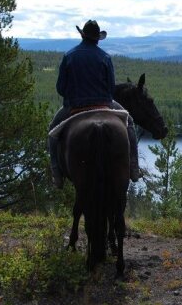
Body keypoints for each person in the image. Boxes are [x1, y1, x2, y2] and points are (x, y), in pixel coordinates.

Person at [48, 20, 140, 188]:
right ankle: (134, 167)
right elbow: (111, 88)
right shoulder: (105, 57)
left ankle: (57, 174)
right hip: (104, 104)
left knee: (53, 131)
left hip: (74, 106)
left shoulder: (69, 56)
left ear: (82, 35)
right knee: (130, 123)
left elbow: (61, 88)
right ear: (98, 39)